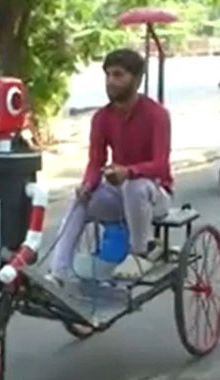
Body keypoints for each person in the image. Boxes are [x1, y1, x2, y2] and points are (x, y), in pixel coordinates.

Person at [49, 48, 173, 284]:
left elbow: (160, 165)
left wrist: (129, 172)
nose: (111, 82)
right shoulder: (102, 118)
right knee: (79, 202)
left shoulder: (157, 115)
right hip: (118, 194)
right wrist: (87, 184)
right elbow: (96, 161)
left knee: (134, 186)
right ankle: (59, 272)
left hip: (154, 194)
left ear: (136, 80)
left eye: (118, 75)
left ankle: (140, 253)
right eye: (108, 75)